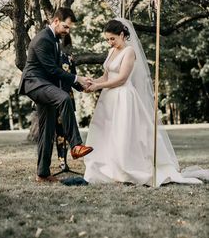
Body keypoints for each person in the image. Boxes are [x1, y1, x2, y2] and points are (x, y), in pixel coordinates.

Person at [84, 18, 205, 186]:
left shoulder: (129, 51)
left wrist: (98, 86)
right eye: (107, 39)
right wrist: (92, 83)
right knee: (108, 133)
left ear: (122, 34)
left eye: (113, 38)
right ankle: (109, 168)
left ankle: (125, 169)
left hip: (123, 97)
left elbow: (121, 79)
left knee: (122, 133)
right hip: (108, 98)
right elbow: (106, 76)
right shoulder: (112, 51)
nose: (110, 42)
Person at [18, 7, 93, 183]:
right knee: (63, 98)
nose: (67, 31)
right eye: (66, 27)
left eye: (69, 29)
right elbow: (52, 70)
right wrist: (78, 78)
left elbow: (59, 72)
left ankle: (42, 173)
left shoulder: (54, 40)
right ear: (56, 21)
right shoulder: (43, 39)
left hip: (45, 84)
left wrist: (81, 86)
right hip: (34, 83)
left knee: (47, 130)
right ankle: (76, 145)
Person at [55, 33, 83, 171]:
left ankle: (63, 162)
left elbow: (74, 80)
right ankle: (45, 164)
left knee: (64, 132)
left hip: (67, 99)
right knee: (51, 131)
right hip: (50, 98)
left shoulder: (69, 58)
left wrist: (87, 86)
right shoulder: (48, 56)